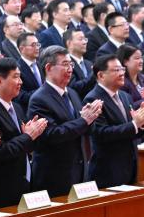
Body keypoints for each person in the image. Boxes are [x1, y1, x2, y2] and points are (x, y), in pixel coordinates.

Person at [28, 45, 100, 197]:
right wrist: (84, 120)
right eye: (65, 65)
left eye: (71, 65)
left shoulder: (72, 93)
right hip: (54, 176)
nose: (70, 69)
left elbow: (83, 127)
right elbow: (52, 135)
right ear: (48, 68)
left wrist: (92, 117)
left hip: (78, 171)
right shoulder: (39, 99)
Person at [0, 57, 47, 209]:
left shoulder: (17, 107)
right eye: (15, 76)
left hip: (24, 183)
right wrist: (28, 136)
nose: (20, 81)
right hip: (1, 189)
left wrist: (34, 134)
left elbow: (26, 145)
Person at [87, 54, 144, 187]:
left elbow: (133, 131)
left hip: (130, 165)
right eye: (116, 70)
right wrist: (134, 124)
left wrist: (142, 124)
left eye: (122, 69)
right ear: (100, 75)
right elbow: (101, 133)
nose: (122, 73)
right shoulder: (93, 99)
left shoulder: (125, 96)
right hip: (109, 169)